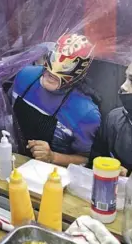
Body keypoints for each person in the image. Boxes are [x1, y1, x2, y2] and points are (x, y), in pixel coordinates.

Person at [12, 33, 101, 167]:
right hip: (12, 159)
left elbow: (87, 160)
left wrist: (53, 157)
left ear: (80, 73)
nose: (53, 73)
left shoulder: (86, 113)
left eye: (66, 66)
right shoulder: (24, 76)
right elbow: (6, 114)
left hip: (53, 176)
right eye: (55, 59)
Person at [88, 59, 132, 176]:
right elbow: (94, 160)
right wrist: (107, 167)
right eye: (125, 78)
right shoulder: (115, 119)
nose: (123, 86)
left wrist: (131, 176)